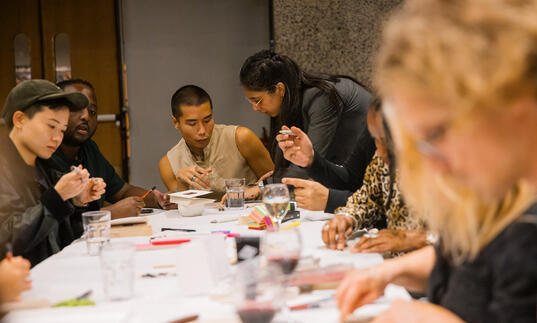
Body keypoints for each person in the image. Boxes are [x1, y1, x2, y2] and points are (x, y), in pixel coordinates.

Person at [336, 0, 537, 322]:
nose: (433, 166)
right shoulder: (501, 192)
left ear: (507, 101)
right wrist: (389, 271)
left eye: (436, 134)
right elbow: (465, 258)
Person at [298, 98, 427, 254]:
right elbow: (368, 199)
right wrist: (347, 217)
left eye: (387, 141)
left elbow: (461, 239)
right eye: (376, 140)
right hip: (397, 264)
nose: (380, 151)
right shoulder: (382, 160)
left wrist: (415, 238)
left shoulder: (447, 167)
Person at [0, 79, 106, 266]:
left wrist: (77, 202)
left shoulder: (47, 169)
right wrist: (57, 198)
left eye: (62, 130)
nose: (57, 138)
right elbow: (7, 240)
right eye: (51, 126)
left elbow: (63, 241)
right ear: (20, 119)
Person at [239, 50, 374, 191]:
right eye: (250, 101)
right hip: (347, 174)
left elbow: (309, 160)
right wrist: (277, 177)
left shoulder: (321, 97)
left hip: (373, 174)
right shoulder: (294, 99)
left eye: (257, 100)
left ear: (279, 89)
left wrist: (267, 185)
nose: (255, 108)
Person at [49, 79, 171, 219]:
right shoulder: (45, 156)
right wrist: (108, 214)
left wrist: (158, 199)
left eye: (92, 111)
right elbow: (57, 224)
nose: (86, 117)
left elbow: (122, 190)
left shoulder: (89, 148)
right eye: (76, 109)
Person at [159, 85, 274, 200]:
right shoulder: (169, 164)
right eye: (192, 124)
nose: (202, 131)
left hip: (250, 215)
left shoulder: (241, 138)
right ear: (176, 122)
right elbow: (180, 210)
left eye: (207, 120)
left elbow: (277, 184)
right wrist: (182, 183)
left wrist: (257, 189)